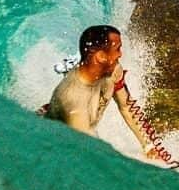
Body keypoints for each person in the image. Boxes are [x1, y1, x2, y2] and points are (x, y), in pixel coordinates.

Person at [44, 25, 160, 160]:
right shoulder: (73, 98)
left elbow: (126, 106)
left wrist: (149, 147)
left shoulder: (114, 70)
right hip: (53, 150)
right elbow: (88, 152)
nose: (121, 54)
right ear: (100, 56)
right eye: (117, 49)